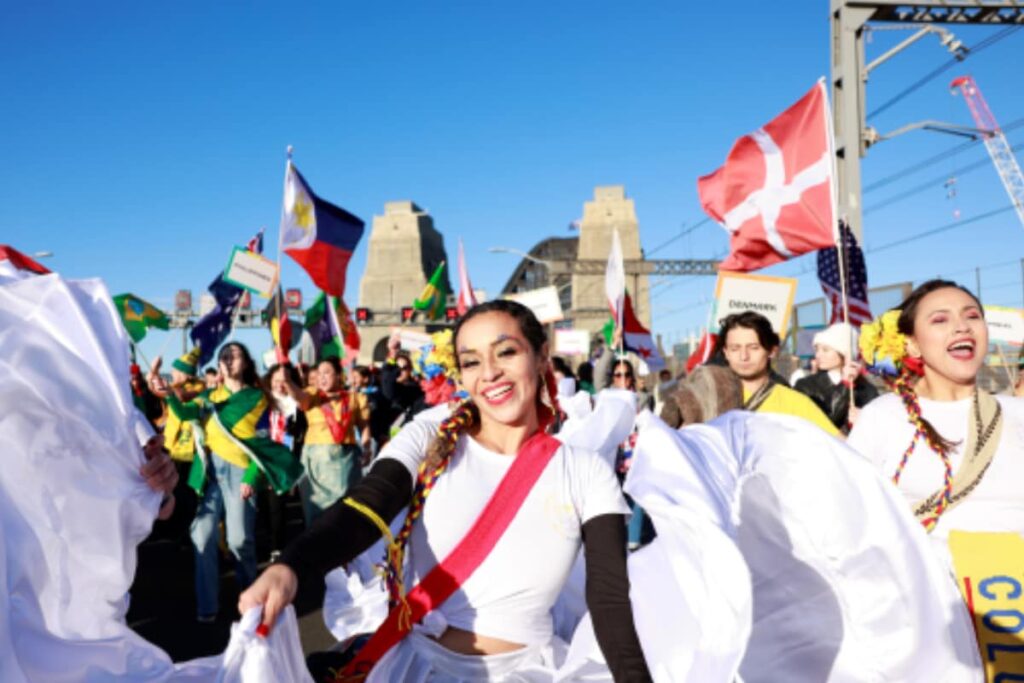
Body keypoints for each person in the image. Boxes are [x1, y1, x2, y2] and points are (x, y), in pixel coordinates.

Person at [240, 300, 651, 681]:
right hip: (412, 668)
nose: (488, 372)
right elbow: (367, 508)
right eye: (471, 362)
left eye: (506, 352)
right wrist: (289, 566)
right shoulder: (431, 434)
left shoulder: (585, 472)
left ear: (542, 356)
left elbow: (610, 602)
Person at [848, 280, 1024, 543]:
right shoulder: (882, 416)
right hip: (926, 579)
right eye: (940, 320)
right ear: (913, 345)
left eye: (973, 316)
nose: (962, 326)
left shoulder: (1017, 412)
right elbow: (850, 513)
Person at [166, 342, 303, 622]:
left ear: (246, 363)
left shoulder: (259, 398)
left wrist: (252, 476)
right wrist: (168, 392)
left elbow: (263, 442)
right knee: (201, 536)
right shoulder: (208, 397)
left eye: (236, 354)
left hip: (241, 472)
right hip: (210, 472)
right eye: (224, 355)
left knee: (240, 540)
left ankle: (249, 601)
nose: (229, 358)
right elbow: (183, 413)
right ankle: (207, 608)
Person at [278, 356, 372, 525]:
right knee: (316, 513)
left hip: (347, 462)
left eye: (327, 373)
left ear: (338, 376)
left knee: (344, 512)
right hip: (317, 462)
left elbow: (363, 426)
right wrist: (288, 382)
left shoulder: (354, 398)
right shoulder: (313, 395)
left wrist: (366, 447)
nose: (322, 377)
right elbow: (299, 397)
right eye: (319, 373)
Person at [716, 311, 840, 436]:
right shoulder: (709, 397)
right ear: (726, 353)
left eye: (753, 347)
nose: (743, 356)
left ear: (772, 351)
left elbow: (840, 445)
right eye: (735, 349)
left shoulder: (795, 403)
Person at [794, 322, 879, 433]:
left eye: (825, 350)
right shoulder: (806, 386)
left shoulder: (867, 390)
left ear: (844, 354)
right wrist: (845, 385)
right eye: (817, 349)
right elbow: (824, 425)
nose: (818, 355)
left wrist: (864, 420)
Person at [264, 363, 307, 560]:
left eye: (285, 380)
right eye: (277, 380)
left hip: (285, 459)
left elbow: (302, 432)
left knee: (278, 507)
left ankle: (277, 547)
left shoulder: (297, 404)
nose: (281, 385)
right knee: (263, 507)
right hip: (262, 458)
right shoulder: (262, 402)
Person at [380, 335, 427, 427]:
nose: (398, 372)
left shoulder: (416, 390)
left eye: (404, 368)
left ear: (410, 370)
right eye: (396, 368)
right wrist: (393, 353)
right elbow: (388, 386)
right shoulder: (389, 389)